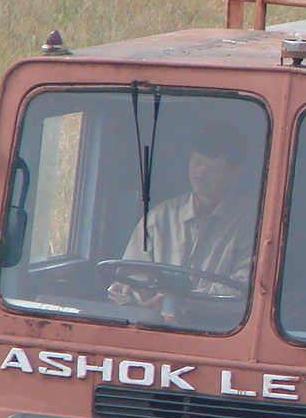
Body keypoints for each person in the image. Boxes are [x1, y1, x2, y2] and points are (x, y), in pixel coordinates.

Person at [109, 124, 256, 311]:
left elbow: (244, 286)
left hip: (222, 328)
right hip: (153, 321)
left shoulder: (253, 223)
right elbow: (134, 273)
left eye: (213, 169)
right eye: (196, 163)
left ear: (236, 173)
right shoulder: (159, 217)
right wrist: (132, 290)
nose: (200, 174)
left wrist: (182, 303)